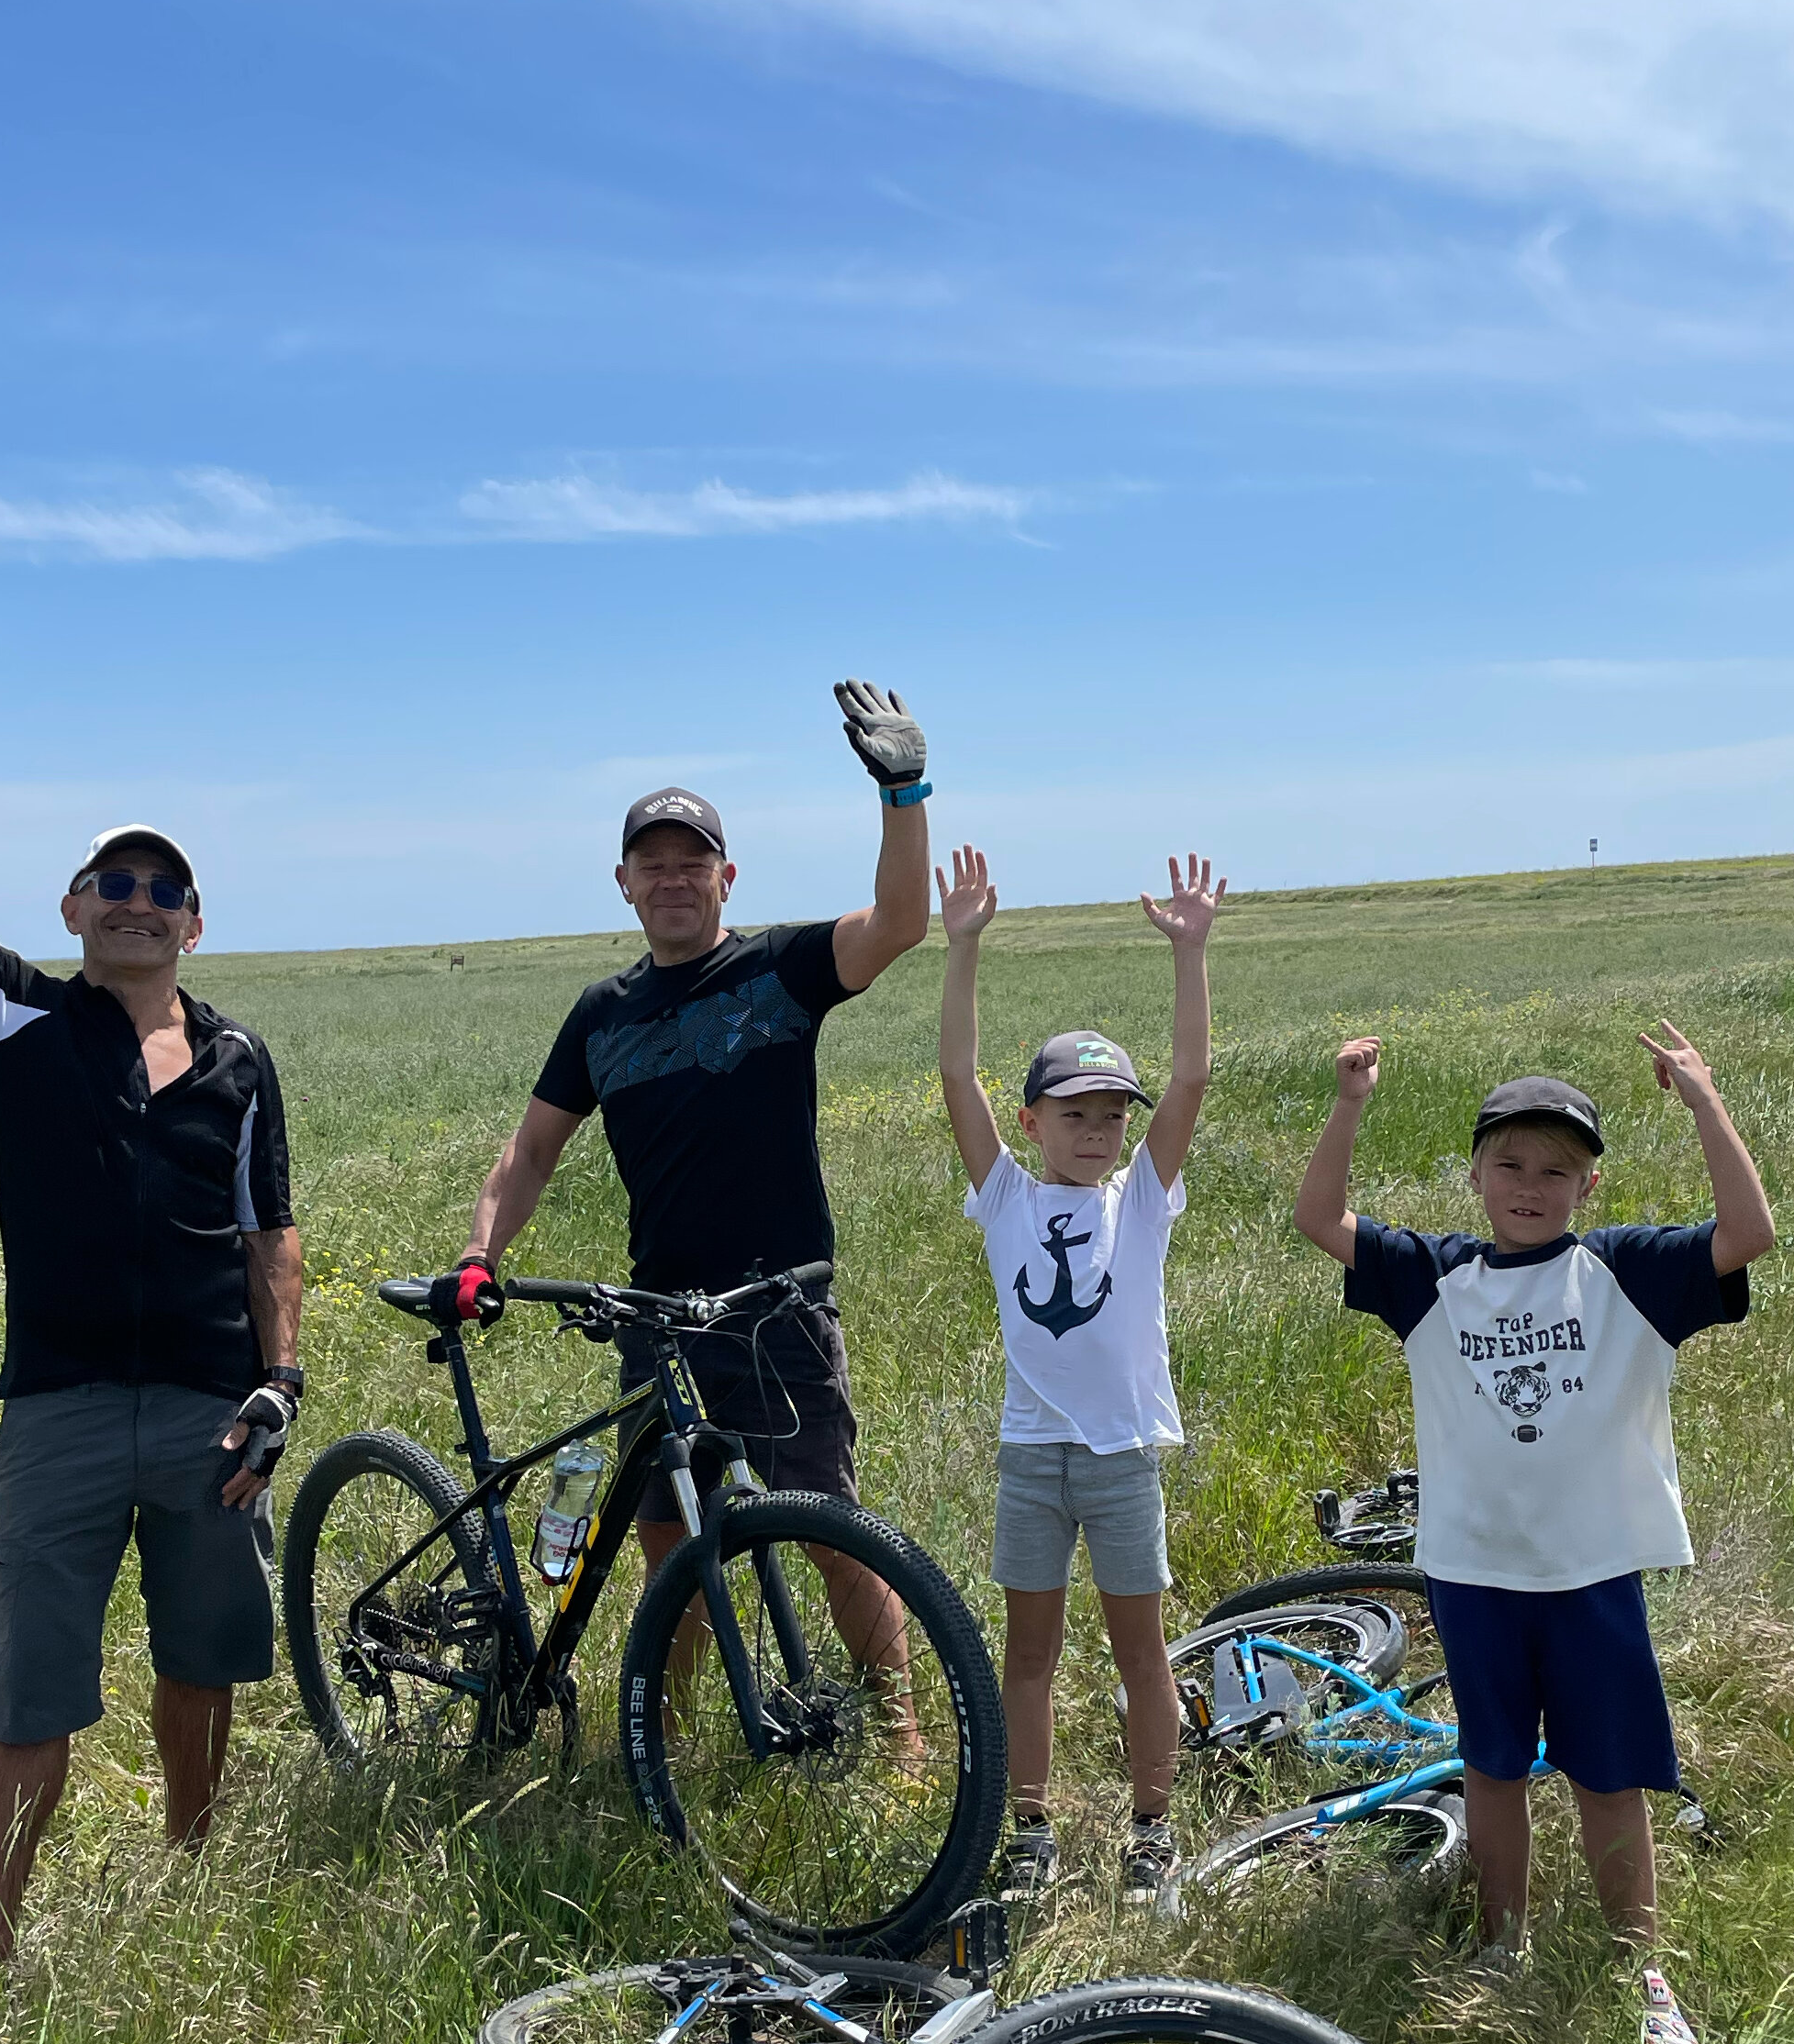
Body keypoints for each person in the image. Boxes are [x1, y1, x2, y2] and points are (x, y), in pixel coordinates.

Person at [0, 564, 304, 1970]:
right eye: (113, 883)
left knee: (203, 1662)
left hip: (207, 1411)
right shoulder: (20, 1022)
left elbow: (270, 1232)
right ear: (70, 910)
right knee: (33, 1693)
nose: (138, 902)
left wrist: (281, 1382)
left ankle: (192, 1879)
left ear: (195, 923)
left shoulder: (239, 1058)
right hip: (57, 1410)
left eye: (163, 889)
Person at [1291, 1028, 1774, 2044]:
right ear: (1473, 1175)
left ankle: (1643, 1975)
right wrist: (1349, 1104)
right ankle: (1501, 1948)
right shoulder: (1435, 1278)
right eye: (1508, 1164)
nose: (1529, 1186)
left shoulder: (1626, 1272)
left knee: (1610, 1778)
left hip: (1592, 1576)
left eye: (1557, 1170)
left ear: (1589, 1185)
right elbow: (1320, 1219)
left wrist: (1704, 1100)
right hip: (1475, 1576)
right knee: (1494, 1767)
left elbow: (1750, 1232)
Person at [454, 683, 934, 1673]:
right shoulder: (602, 1014)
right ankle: (659, 1730)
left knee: (828, 1529)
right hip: (655, 1314)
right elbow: (531, 1150)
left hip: (776, 1306)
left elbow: (898, 922)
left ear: (727, 877)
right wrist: (478, 1254)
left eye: (693, 863)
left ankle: (904, 1739)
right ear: (624, 883)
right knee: (671, 1546)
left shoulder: (780, 970)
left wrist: (903, 793)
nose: (674, 879)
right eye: (654, 864)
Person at [938, 843, 1224, 1905]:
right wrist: (963, 945)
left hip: (1120, 1459)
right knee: (1031, 1659)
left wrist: (1190, 952)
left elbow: (1189, 1079)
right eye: (1074, 1113)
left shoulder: (1141, 1199)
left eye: (1112, 1115)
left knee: (1144, 1655)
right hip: (1032, 1459)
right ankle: (1031, 1831)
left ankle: (1152, 1830)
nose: (1098, 1133)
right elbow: (956, 1076)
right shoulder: (1006, 1199)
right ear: (1031, 1123)